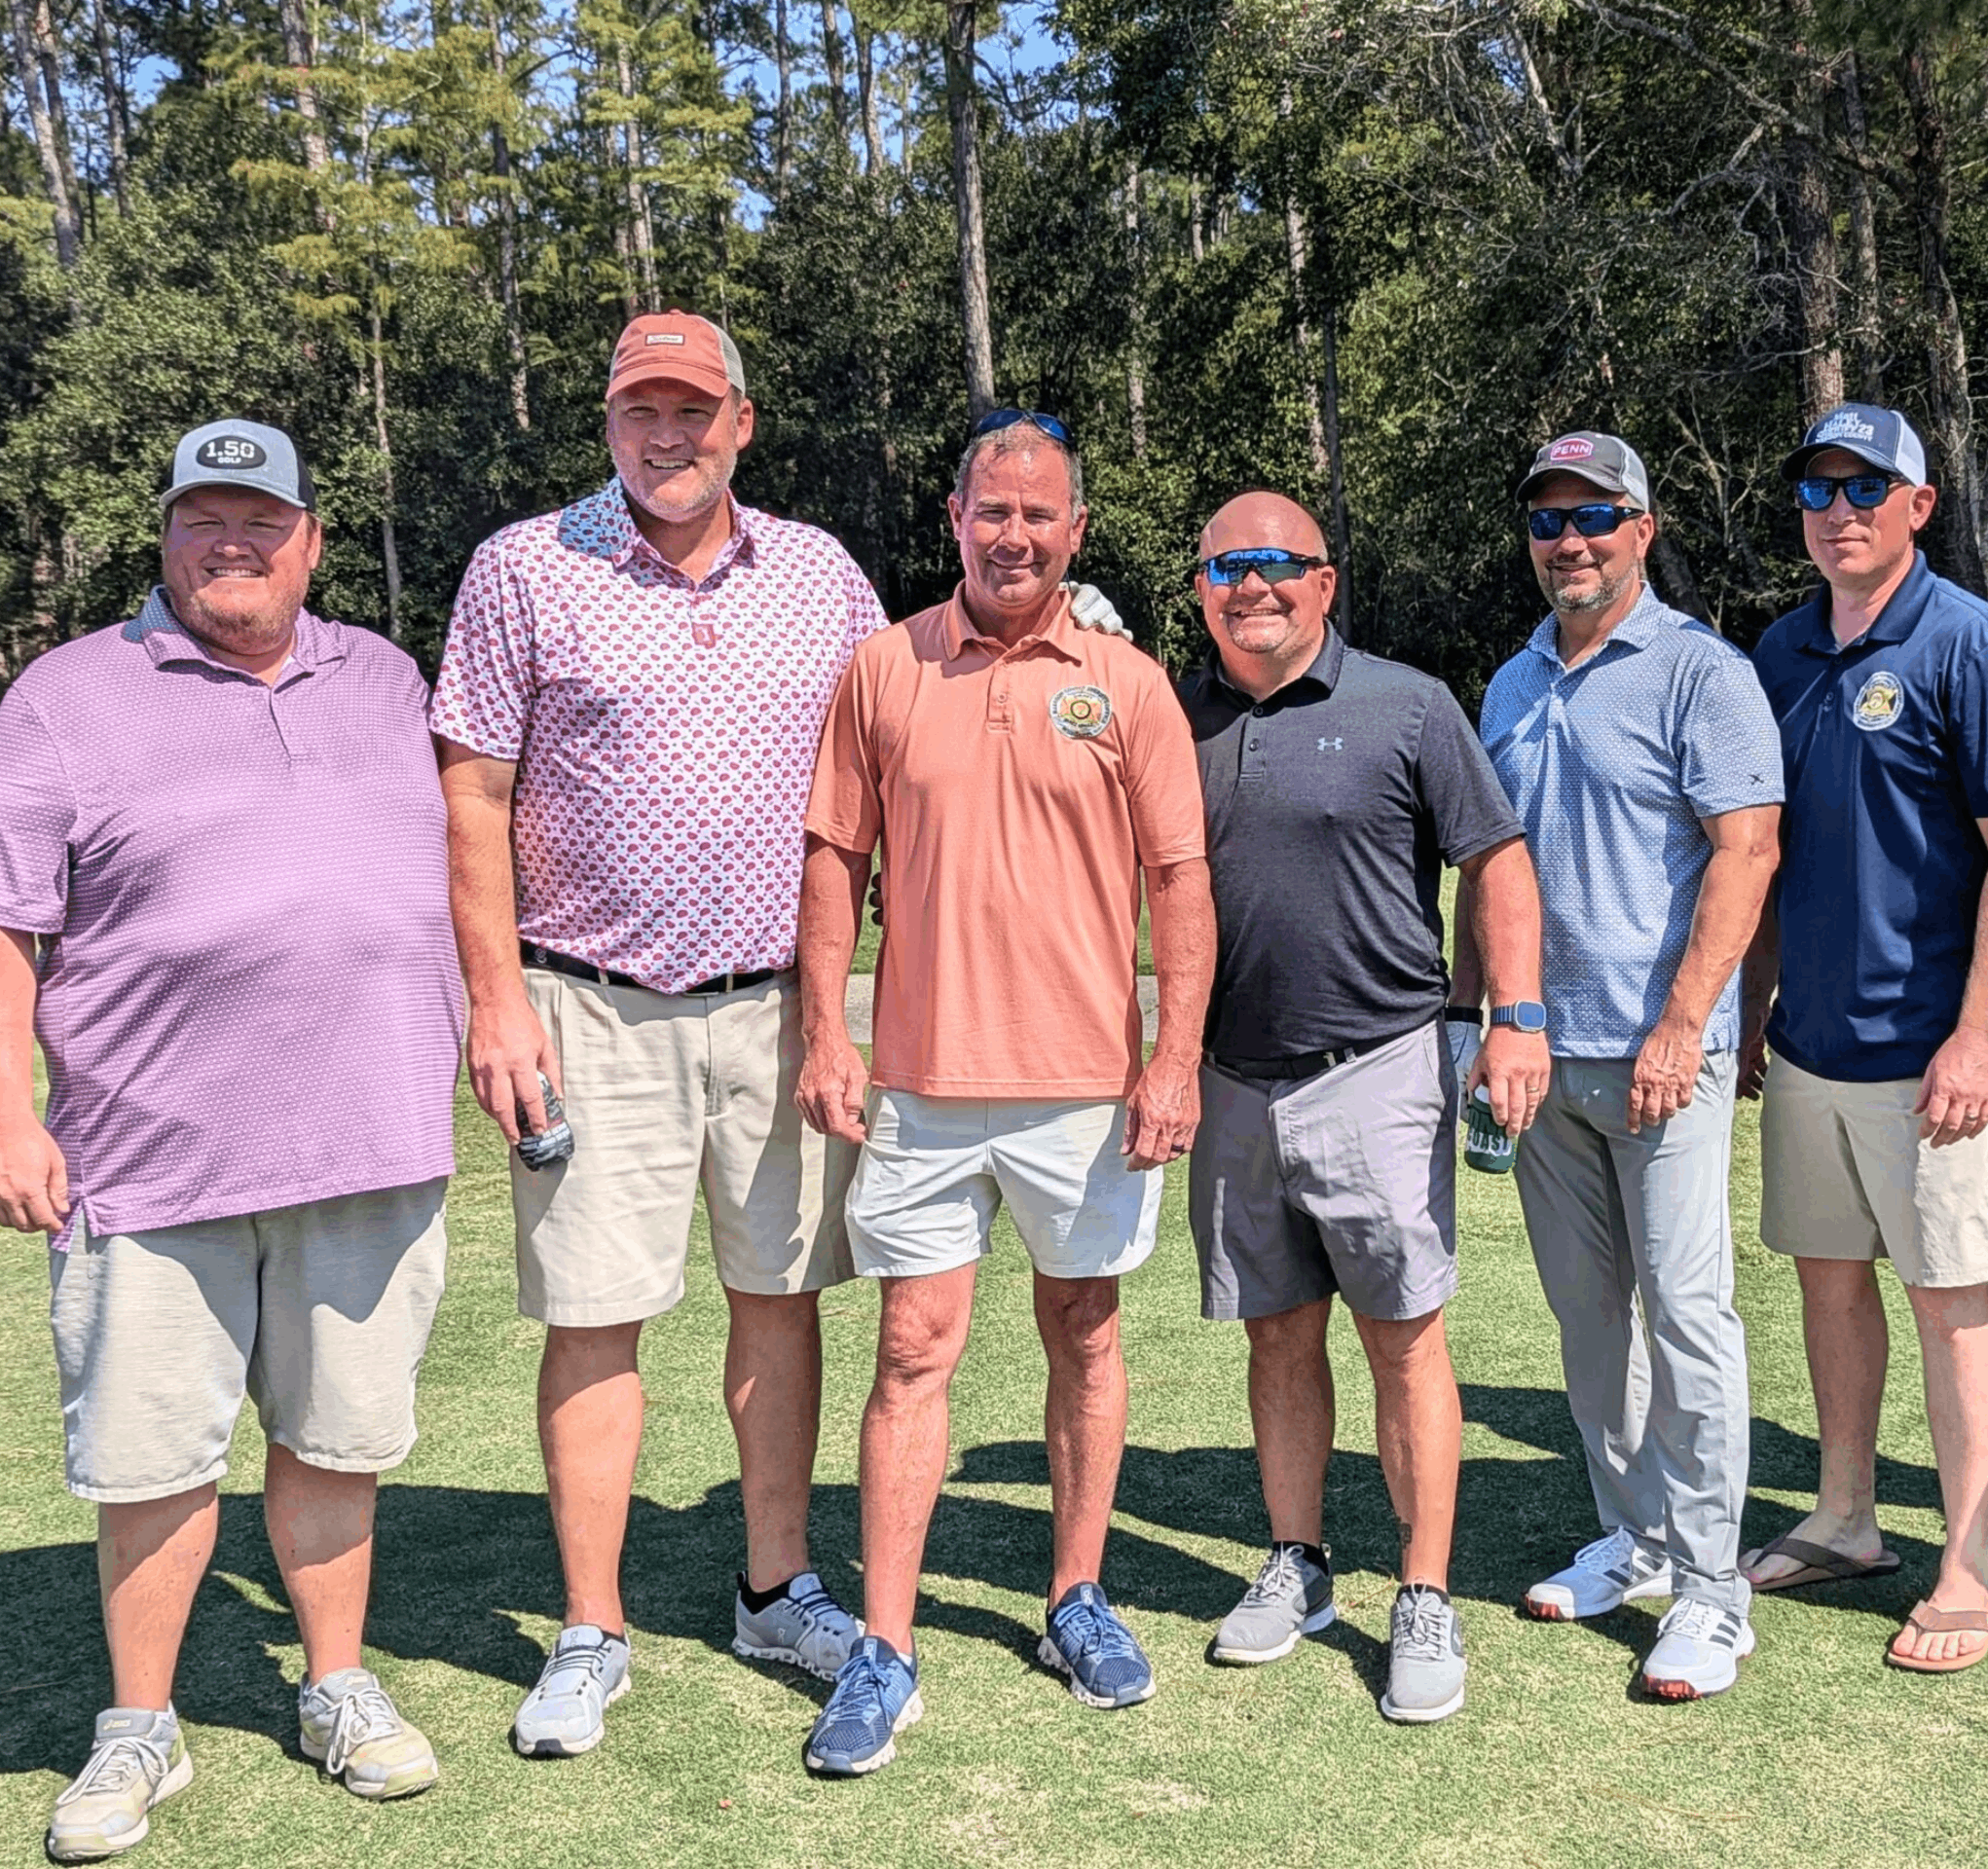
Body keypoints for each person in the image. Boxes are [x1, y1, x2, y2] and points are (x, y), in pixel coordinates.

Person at [0, 421, 462, 1858]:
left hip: (368, 1140)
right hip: (148, 1155)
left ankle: (339, 1685)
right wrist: (4, 1116)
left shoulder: (384, 676)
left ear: (310, 538)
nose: (231, 545)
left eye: (260, 520)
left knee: (337, 1437)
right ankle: (139, 1726)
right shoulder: (67, 696)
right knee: (151, 1459)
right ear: (166, 536)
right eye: (203, 522)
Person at [432, 313, 915, 1756]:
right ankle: (592, 1628)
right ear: (607, 422)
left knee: (782, 1297)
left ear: (742, 424)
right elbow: (470, 799)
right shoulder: (524, 567)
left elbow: (909, 741)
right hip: (587, 1002)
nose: (670, 435)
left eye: (694, 411)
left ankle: (776, 1586)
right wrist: (496, 1001)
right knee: (594, 1317)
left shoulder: (820, 573)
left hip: (783, 1005)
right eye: (643, 410)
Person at [794, 410, 1215, 1776]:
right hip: (922, 1079)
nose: (1015, 533)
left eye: (1041, 514)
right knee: (914, 1348)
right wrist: (827, 1033)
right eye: (993, 510)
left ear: (1075, 531)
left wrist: (1173, 1057)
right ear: (957, 519)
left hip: (1087, 1087)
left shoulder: (1129, 683)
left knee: (1084, 1333)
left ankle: (1076, 1597)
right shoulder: (882, 667)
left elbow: (1180, 885)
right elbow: (832, 863)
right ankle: (886, 1646)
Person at [1177, 491, 1545, 1723]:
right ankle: (1300, 1565)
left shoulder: (1407, 702)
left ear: (1327, 583)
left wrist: (1514, 1018)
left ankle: (1424, 1591)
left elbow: (1495, 858)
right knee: (1275, 1333)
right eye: (1230, 566)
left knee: (1403, 1337)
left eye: (1281, 564)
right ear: (1200, 588)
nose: (1255, 585)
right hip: (1231, 1076)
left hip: (1377, 1069)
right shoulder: (1171, 717)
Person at [1737, 404, 1988, 1674]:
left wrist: (1986, 1037)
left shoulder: (1972, 646)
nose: (1840, 511)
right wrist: (1759, 1000)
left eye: (1868, 488)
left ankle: (1968, 1563)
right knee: (1827, 1282)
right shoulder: (1780, 650)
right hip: (1811, 1046)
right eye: (1819, 489)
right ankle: (1847, 1517)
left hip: (1932, 1059)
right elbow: (1762, 854)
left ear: (1919, 506)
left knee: (1949, 1306)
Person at [1477, 433, 1783, 1700]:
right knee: (1592, 1318)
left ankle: (1715, 1589)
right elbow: (1490, 870)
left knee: (1691, 1314)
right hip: (1543, 1054)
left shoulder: (1699, 672)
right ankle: (1639, 1537)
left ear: (1644, 528)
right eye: (1551, 521)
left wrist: (1683, 1022)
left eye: (1596, 517)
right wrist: (1482, 1017)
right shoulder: (1509, 682)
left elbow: (1748, 852)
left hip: (1666, 1061)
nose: (1572, 541)